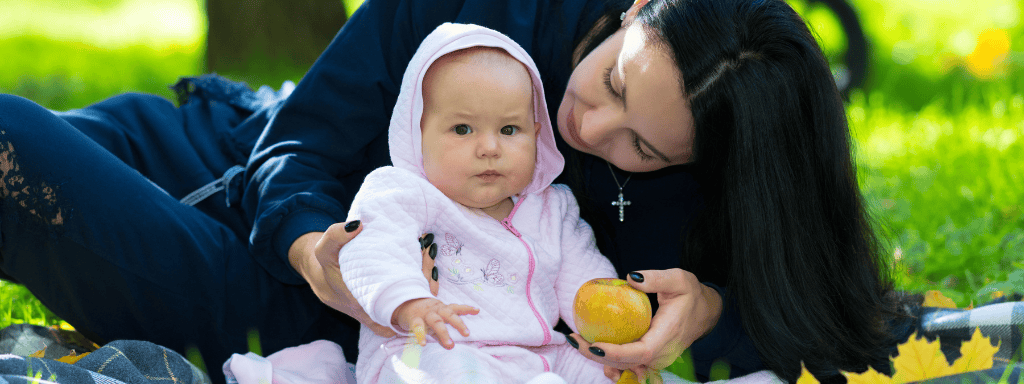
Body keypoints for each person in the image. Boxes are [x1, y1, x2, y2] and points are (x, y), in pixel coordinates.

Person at [0, 0, 907, 382]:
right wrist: (319, 248)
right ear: (638, 5)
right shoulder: (482, 6)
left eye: (645, 148)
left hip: (279, 306)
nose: (591, 133)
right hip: (239, 181)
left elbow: (820, 317)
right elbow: (296, 149)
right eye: (615, 88)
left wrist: (709, 309)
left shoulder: (725, 161)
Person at [338, 23, 619, 383]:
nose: (490, 148)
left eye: (508, 130)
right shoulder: (404, 194)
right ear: (418, 131)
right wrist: (407, 303)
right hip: (430, 346)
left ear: (536, 134)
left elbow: (586, 282)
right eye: (462, 129)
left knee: (602, 369)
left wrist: (613, 330)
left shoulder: (552, 210)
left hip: (538, 353)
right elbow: (372, 249)